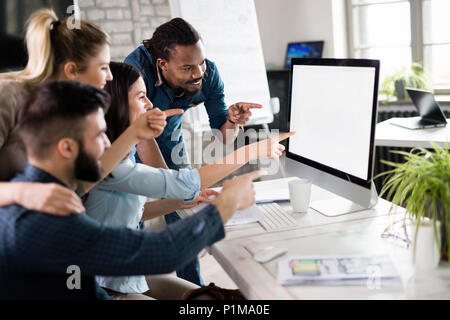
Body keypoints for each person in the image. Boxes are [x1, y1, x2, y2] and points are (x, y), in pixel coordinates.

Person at [0, 80, 264, 300]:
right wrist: (227, 203)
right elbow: (164, 252)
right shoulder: (45, 217)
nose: (107, 145)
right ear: (66, 148)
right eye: (99, 136)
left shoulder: (39, 189)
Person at [85, 62, 293, 300]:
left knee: (219, 297)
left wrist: (178, 204)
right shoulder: (109, 163)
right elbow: (186, 183)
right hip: (107, 288)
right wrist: (251, 151)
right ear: (117, 104)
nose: (150, 105)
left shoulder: (121, 153)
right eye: (141, 97)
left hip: (129, 277)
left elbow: (132, 212)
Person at [125, 17, 264, 285]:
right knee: (134, 210)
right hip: (134, 137)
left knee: (182, 212)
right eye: (188, 68)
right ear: (162, 65)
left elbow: (224, 136)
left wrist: (233, 121)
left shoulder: (207, 74)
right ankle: (132, 284)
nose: (198, 73)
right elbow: (142, 139)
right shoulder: (137, 73)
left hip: (170, 136)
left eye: (200, 63)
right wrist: (171, 186)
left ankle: (193, 288)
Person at [0, 9, 169, 215]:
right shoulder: (7, 96)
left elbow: (77, 186)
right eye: (103, 67)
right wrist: (24, 193)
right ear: (72, 71)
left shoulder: (67, 114)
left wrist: (135, 133)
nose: (109, 77)